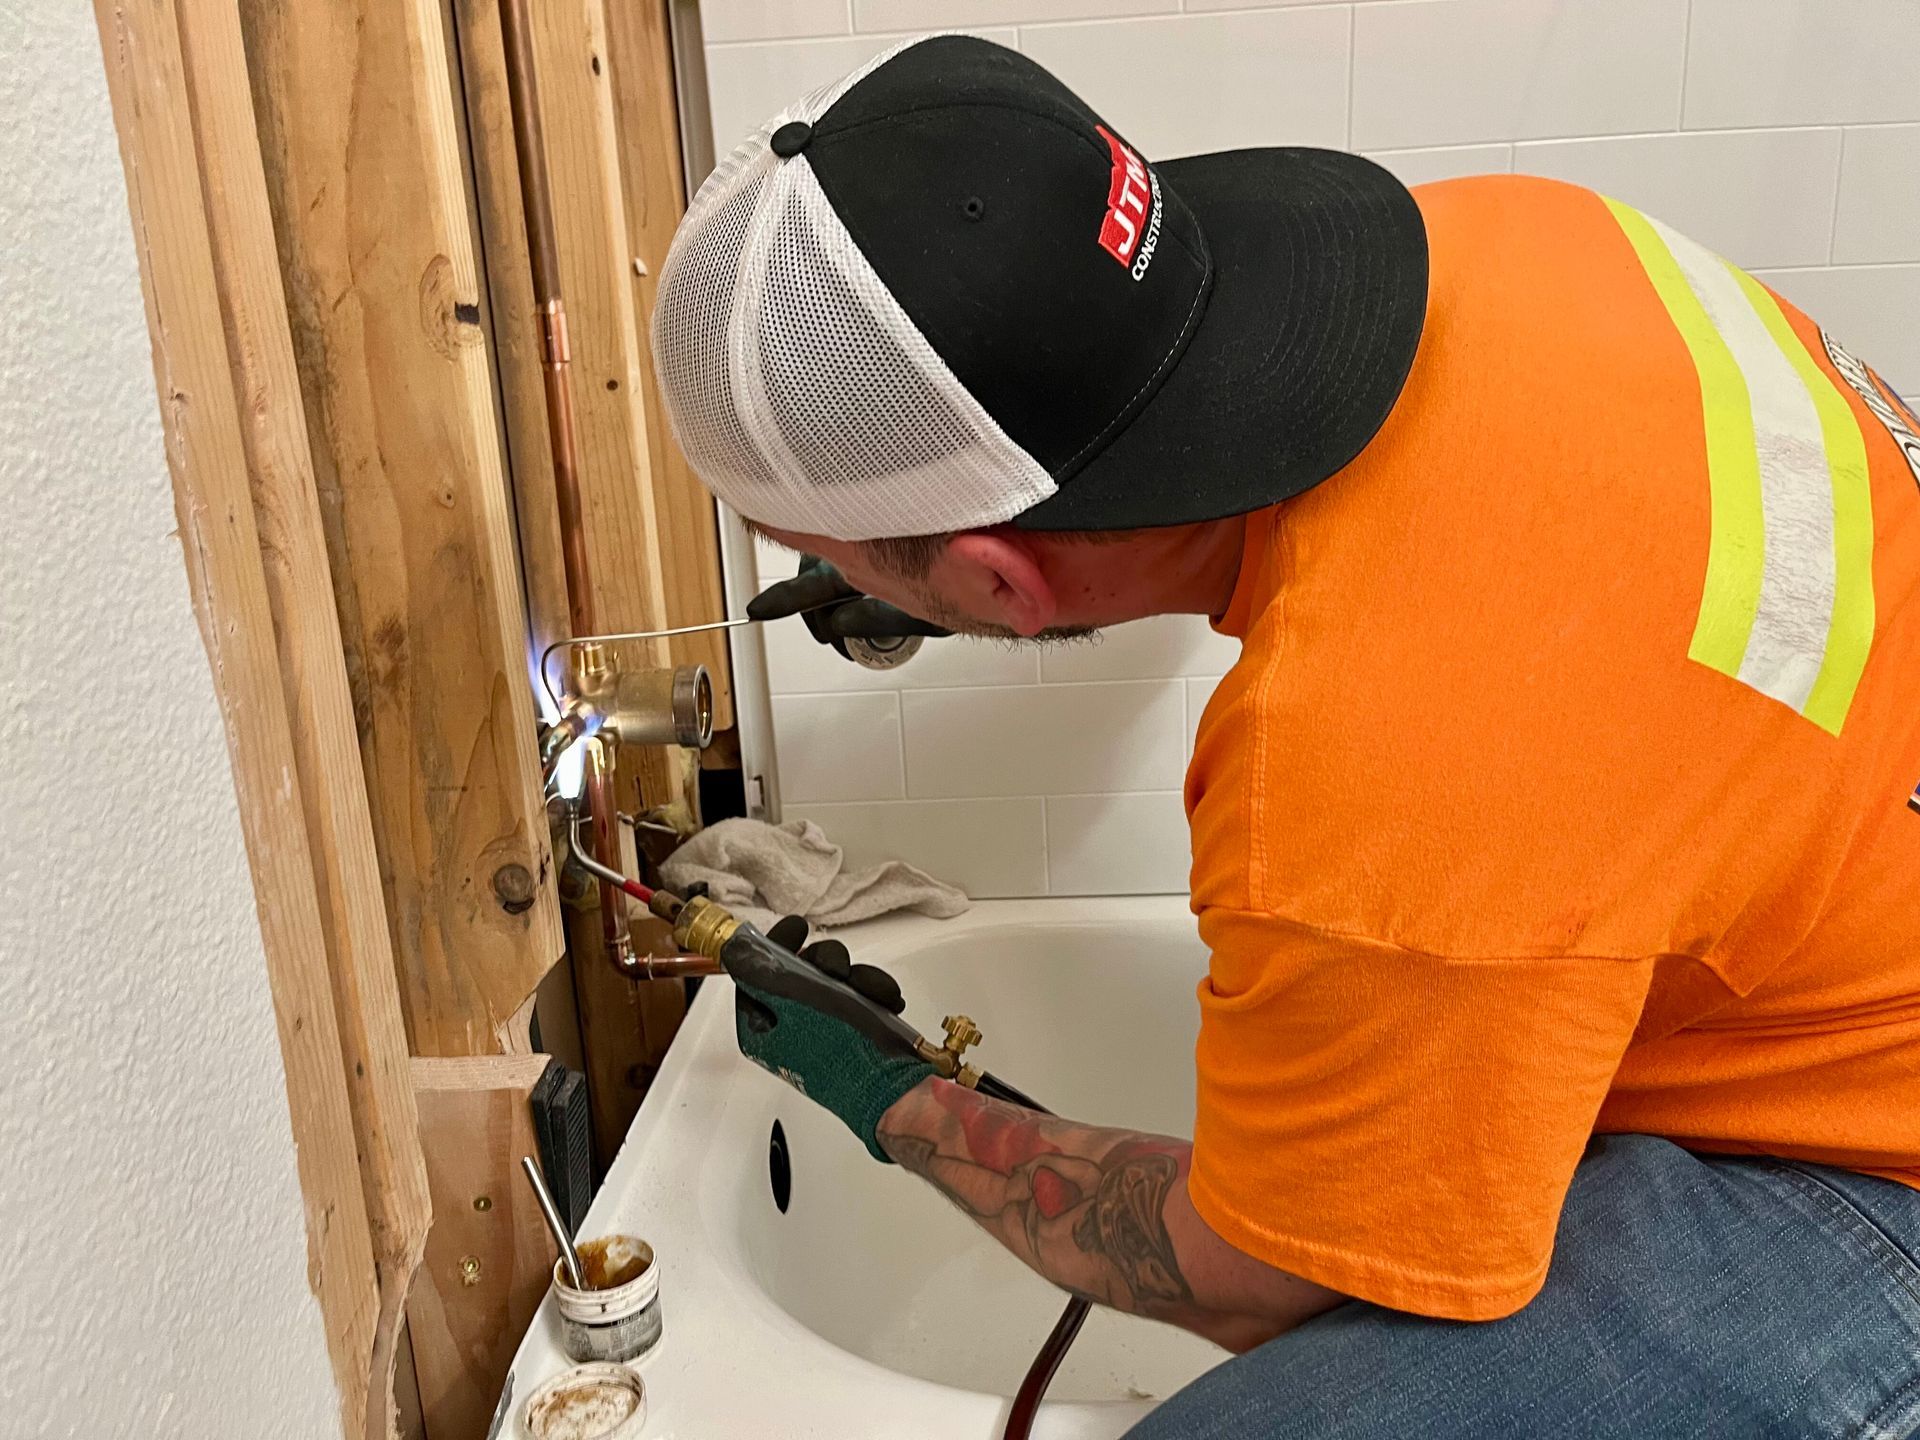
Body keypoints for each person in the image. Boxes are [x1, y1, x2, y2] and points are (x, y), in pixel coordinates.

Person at [649, 33, 1920, 1439]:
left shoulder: (1374, 777)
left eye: (872, 566)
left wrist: (895, 1099)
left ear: (1003, 574)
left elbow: (1251, 1281)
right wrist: (924, 582)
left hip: (1880, 1189)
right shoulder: (1515, 239)